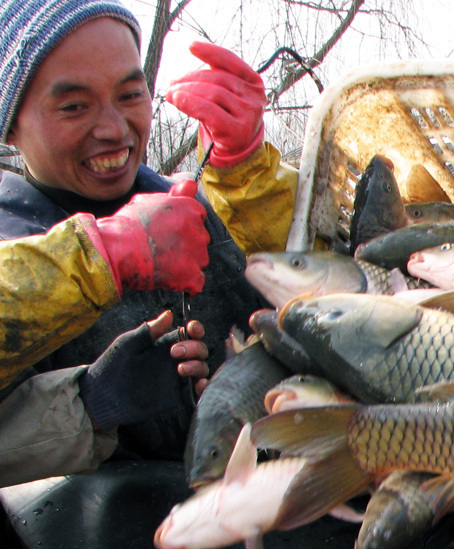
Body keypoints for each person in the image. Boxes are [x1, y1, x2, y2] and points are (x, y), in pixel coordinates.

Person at [0, 0, 295, 485]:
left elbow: (314, 289)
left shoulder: (190, 202)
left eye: (131, 95)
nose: (115, 131)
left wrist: (245, 173)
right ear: (10, 127)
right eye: (74, 106)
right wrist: (96, 399)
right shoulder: (14, 238)